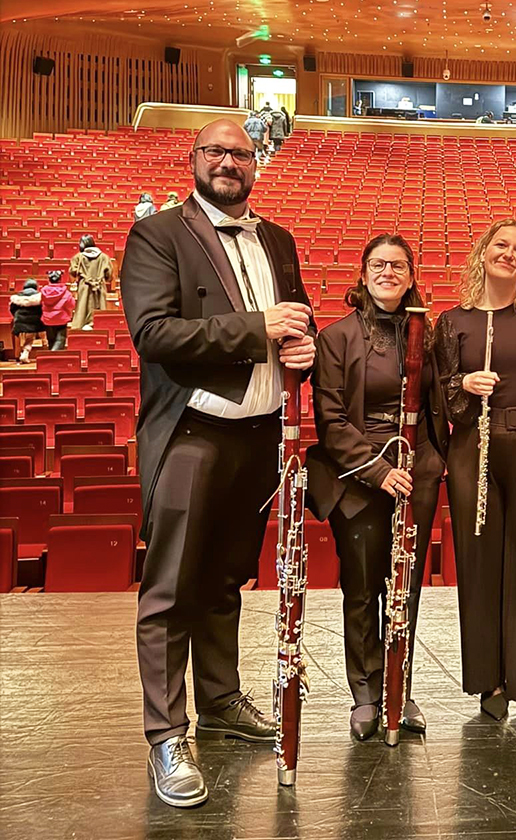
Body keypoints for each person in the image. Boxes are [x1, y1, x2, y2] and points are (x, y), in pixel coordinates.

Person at [120, 119, 316, 809]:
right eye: (216, 151)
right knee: (170, 589)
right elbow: (154, 333)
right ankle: (165, 735)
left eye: (241, 153)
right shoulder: (158, 234)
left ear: (256, 163)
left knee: (227, 579)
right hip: (192, 433)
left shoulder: (278, 239)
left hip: (257, 435)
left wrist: (304, 347)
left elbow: (297, 318)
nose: (229, 162)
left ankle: (221, 700)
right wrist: (258, 329)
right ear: (195, 159)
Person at [304, 235, 447, 741]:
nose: (388, 272)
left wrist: (430, 465)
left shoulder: (426, 333)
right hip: (359, 477)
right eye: (378, 264)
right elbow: (331, 419)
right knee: (363, 588)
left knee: (406, 587)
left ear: (411, 276)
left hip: (417, 471)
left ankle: (399, 688)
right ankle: (366, 693)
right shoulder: (336, 338)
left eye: (398, 265)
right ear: (363, 273)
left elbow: (437, 405)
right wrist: (378, 471)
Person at [435, 219, 516, 730]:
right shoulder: (453, 321)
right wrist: (464, 384)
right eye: (501, 245)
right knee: (479, 559)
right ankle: (488, 679)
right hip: (473, 444)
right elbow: (443, 392)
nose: (509, 254)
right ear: (483, 251)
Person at [68, 234, 112, 330]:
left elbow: (73, 271)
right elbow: (108, 274)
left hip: (84, 285)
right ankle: (100, 329)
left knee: (83, 308)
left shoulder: (78, 257)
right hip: (99, 285)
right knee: (100, 307)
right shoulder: (104, 257)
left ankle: (80, 329)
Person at [9, 278, 43, 364]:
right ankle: (27, 351)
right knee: (32, 334)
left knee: (24, 334)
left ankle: (21, 353)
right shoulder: (39, 296)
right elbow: (43, 309)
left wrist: (17, 317)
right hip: (35, 321)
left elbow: (12, 309)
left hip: (20, 321)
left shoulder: (18, 296)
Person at [40, 270, 75, 351]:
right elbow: (71, 305)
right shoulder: (66, 292)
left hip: (48, 319)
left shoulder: (44, 291)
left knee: (51, 340)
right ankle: (54, 355)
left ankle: (52, 354)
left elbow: (41, 303)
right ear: (60, 280)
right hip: (61, 319)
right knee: (60, 340)